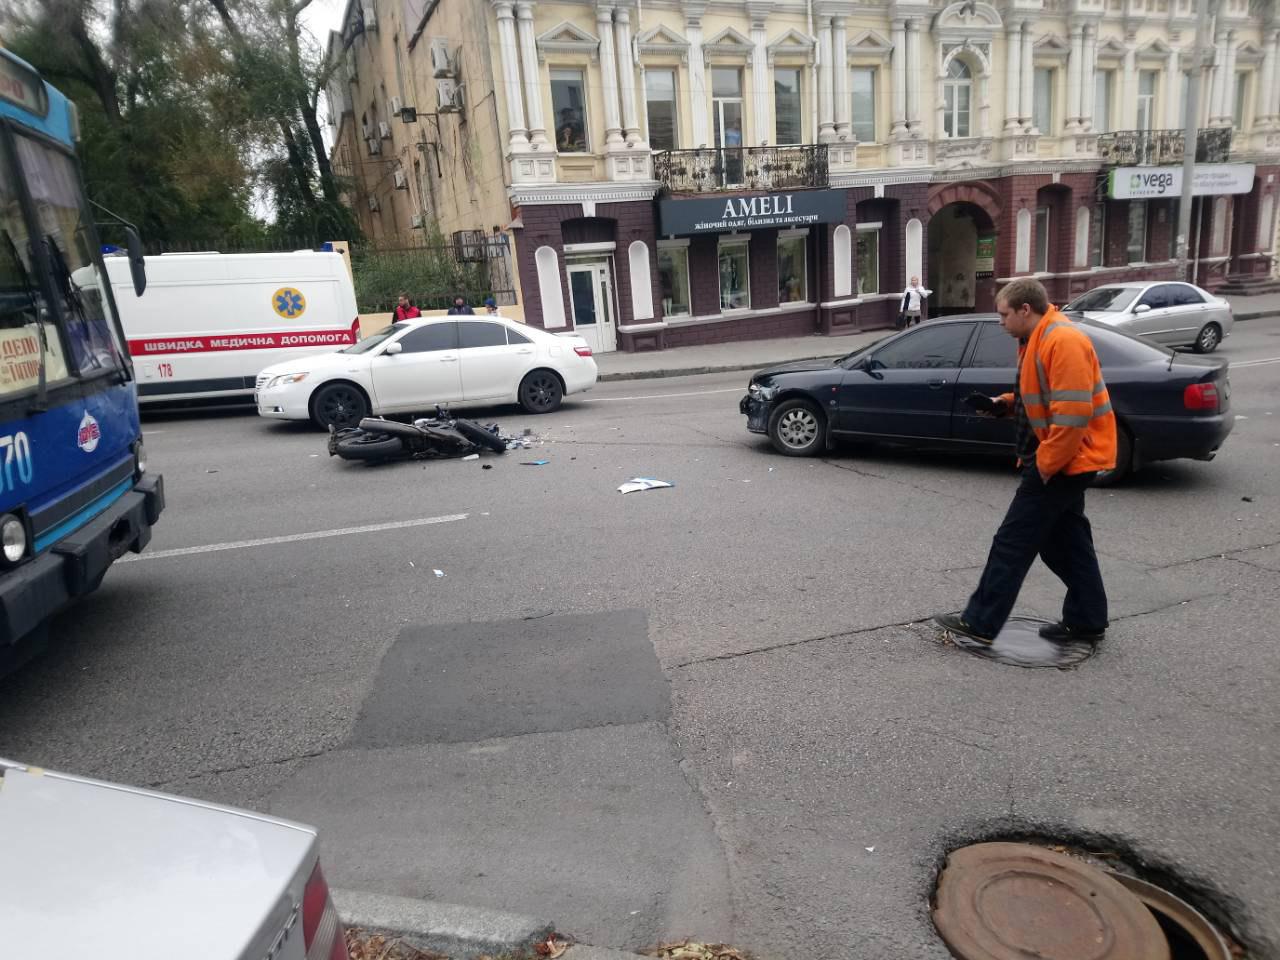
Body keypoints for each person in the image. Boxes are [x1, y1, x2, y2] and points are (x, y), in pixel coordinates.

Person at [935, 278, 1117, 646]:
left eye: (1004, 314)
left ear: (1024, 310)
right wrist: (1002, 404)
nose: (999, 321)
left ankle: (980, 622)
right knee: (1064, 543)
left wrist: (1046, 466)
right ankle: (1087, 619)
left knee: (1012, 542)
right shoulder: (1037, 337)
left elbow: (1072, 414)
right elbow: (1041, 396)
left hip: (1064, 461)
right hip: (1062, 459)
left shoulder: (1062, 340)